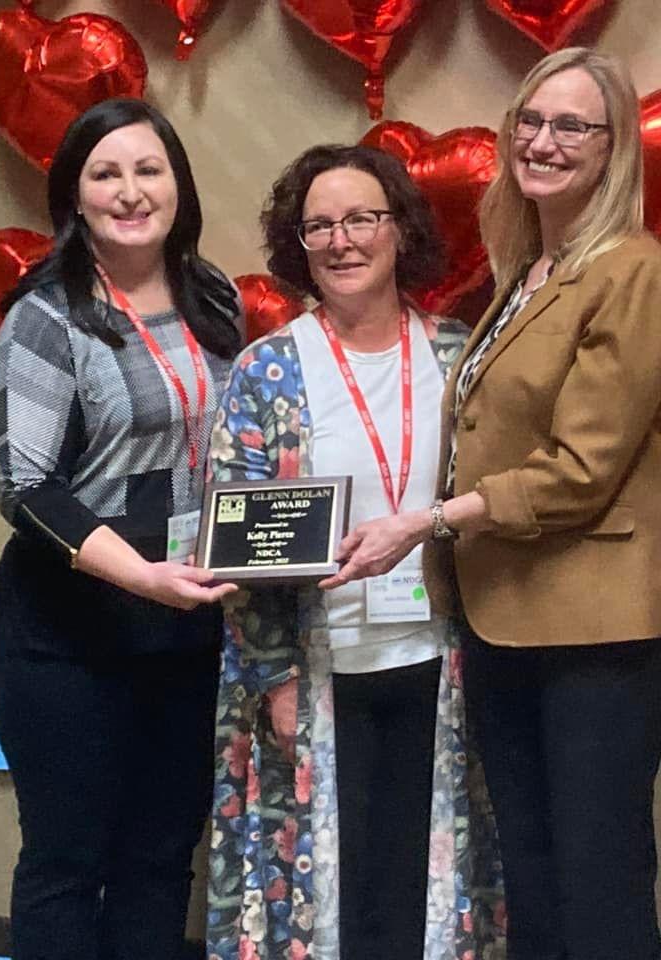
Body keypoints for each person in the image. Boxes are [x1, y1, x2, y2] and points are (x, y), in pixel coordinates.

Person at [323, 48, 661, 960]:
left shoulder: (633, 272)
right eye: (531, 121)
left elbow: (582, 469)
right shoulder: (526, 274)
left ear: (614, 148)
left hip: (594, 636)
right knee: (536, 881)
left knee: (599, 886)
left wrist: (430, 519)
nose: (542, 142)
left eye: (571, 126)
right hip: (505, 620)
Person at [206, 144, 504, 960]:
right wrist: (273, 678)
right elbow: (241, 547)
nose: (341, 241)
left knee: (419, 885)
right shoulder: (268, 372)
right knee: (329, 889)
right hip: (317, 668)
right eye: (319, 227)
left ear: (400, 229)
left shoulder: (460, 358)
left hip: (444, 665)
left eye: (362, 219)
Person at [0, 97, 240, 960]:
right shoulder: (45, 318)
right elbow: (24, 485)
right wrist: (144, 578)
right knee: (68, 863)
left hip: (187, 632)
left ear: (178, 186)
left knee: (162, 862)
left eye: (148, 169)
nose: (130, 192)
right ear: (74, 195)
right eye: (105, 173)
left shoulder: (216, 298)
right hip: (68, 637)